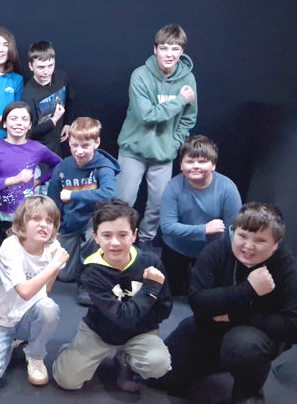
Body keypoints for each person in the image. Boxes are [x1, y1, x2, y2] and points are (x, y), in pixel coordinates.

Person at [156, 203, 297, 404]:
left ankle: (248, 394)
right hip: (211, 325)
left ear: (276, 244)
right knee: (160, 377)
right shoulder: (216, 251)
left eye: (260, 240)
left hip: (255, 334)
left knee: (242, 345)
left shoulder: (287, 268)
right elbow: (198, 302)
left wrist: (236, 316)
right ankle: (218, 361)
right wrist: (248, 289)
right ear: (233, 232)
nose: (248, 246)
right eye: (243, 236)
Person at [52, 199, 172, 392]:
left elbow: (164, 307)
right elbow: (121, 317)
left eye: (122, 235)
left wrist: (139, 325)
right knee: (67, 380)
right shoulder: (91, 271)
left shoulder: (151, 261)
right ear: (95, 237)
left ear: (134, 235)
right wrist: (149, 290)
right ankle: (72, 350)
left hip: (140, 331)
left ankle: (125, 359)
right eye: (106, 235)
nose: (115, 243)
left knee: (159, 363)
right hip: (100, 332)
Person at [115, 24, 197, 248]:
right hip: (133, 150)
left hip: (164, 153)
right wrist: (180, 100)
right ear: (155, 49)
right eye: (164, 48)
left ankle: (145, 241)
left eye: (175, 48)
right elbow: (147, 115)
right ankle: (119, 242)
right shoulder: (140, 75)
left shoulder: (188, 80)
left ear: (182, 52)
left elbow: (190, 117)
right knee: (123, 203)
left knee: (159, 204)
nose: (169, 54)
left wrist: (174, 142)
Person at [0, 196, 67, 386]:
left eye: (49, 221)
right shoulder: (10, 247)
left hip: (28, 315)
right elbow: (24, 291)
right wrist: (54, 265)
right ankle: (9, 344)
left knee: (48, 308)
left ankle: (35, 354)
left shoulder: (54, 248)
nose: (44, 225)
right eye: (36, 219)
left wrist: (54, 267)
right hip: (2, 318)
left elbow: (46, 290)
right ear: (22, 224)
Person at [48, 117, 120, 306]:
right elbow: (53, 200)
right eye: (74, 145)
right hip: (71, 222)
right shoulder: (63, 167)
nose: (79, 151)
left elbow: (109, 194)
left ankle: (88, 282)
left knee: (93, 238)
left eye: (85, 146)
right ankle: (81, 264)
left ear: (96, 143)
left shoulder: (103, 166)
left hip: (95, 221)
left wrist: (73, 196)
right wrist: (55, 227)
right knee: (64, 275)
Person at [159, 135, 242, 295]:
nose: (195, 166)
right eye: (190, 161)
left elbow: (234, 229)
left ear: (213, 165)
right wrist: (204, 230)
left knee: (205, 296)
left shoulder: (227, 188)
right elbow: (167, 227)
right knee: (171, 292)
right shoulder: (173, 187)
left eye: (202, 161)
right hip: (176, 248)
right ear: (181, 165)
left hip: (211, 251)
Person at [0, 101, 61, 250]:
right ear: (4, 123)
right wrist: (15, 180)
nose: (18, 123)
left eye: (24, 119)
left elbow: (59, 165)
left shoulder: (37, 148)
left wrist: (38, 182)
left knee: (17, 261)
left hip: (23, 218)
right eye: (13, 118)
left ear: (30, 125)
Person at [21, 41, 71, 156]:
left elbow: (71, 99)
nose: (46, 72)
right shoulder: (28, 95)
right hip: (39, 151)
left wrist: (68, 123)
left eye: (50, 66)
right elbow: (28, 131)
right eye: (41, 67)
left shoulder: (61, 77)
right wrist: (53, 121)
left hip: (59, 146)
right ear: (30, 66)